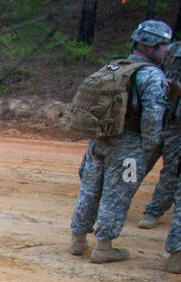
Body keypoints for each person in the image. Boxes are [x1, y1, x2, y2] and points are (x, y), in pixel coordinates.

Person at [69, 20, 171, 263]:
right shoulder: (151, 75)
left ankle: (77, 240)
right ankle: (103, 247)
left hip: (99, 140)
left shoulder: (113, 67)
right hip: (130, 147)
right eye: (164, 45)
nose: (167, 50)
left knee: (89, 189)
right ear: (149, 46)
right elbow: (153, 116)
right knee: (118, 193)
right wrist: (150, 146)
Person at [137, 41, 179, 234]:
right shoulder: (173, 49)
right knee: (138, 162)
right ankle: (118, 197)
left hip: (177, 125)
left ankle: (154, 211)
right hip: (157, 114)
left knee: (171, 170)